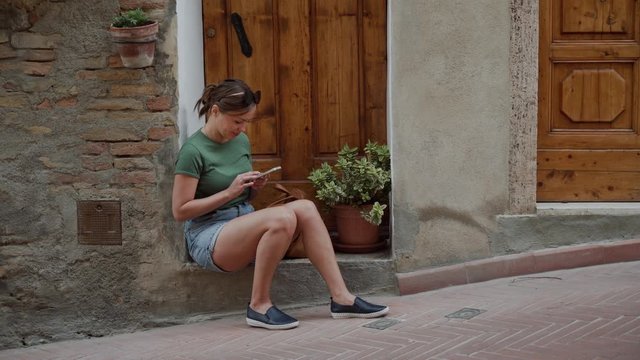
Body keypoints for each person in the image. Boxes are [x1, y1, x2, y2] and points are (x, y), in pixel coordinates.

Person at [172, 79, 389, 330]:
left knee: (305, 208)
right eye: (237, 121)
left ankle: (341, 298)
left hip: (241, 222)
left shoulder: (240, 142)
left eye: (247, 122)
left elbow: (242, 198)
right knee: (282, 218)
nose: (242, 129)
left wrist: (252, 190)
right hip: (209, 236)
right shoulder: (193, 150)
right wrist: (229, 192)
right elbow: (180, 211)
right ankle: (259, 305)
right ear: (215, 111)